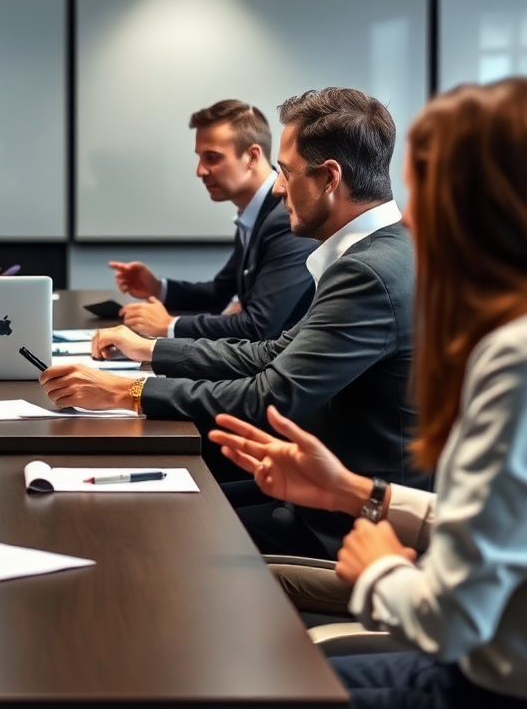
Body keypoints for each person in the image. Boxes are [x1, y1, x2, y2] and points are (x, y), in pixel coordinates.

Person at [210, 78, 527, 709]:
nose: (409, 220)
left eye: (426, 197)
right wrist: (360, 492)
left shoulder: (510, 357)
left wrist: (381, 567)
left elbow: (453, 620)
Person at [41, 87, 427, 555]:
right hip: (323, 493)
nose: (278, 187)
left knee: (149, 530)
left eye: (285, 172)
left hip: (347, 525)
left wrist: (125, 391)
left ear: (329, 178)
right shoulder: (383, 250)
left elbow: (272, 392)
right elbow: (273, 351)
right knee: (145, 504)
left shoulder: (366, 271)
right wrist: (152, 350)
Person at [109, 99, 316, 341]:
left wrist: (169, 326)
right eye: (199, 157)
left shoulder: (284, 217)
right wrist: (157, 288)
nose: (200, 171)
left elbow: (259, 326)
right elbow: (220, 293)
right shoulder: (256, 213)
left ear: (251, 156)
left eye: (212, 157)